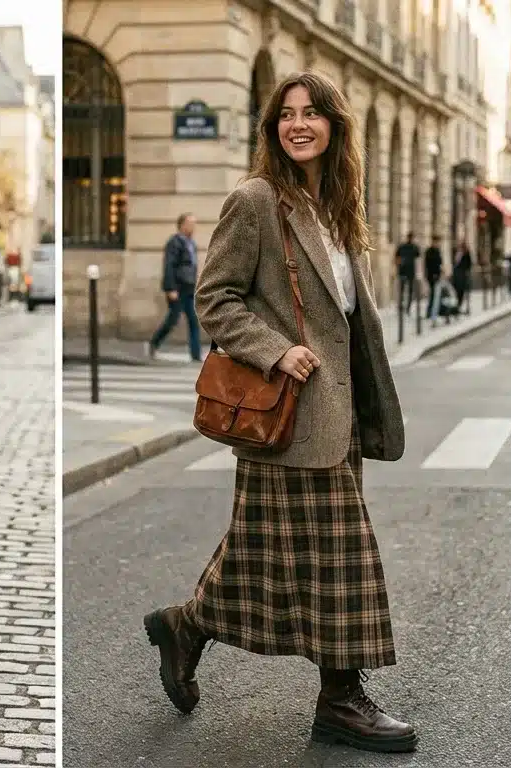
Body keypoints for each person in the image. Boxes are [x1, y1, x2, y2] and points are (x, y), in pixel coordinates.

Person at [143, 71, 414, 754]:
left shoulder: (335, 204)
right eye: (286, 115)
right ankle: (342, 699)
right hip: (288, 411)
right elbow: (216, 299)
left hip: (334, 415)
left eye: (312, 114)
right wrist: (276, 351)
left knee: (269, 553)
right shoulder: (256, 200)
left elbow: (349, 316)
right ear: (272, 128)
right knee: (342, 557)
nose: (298, 124)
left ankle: (186, 625)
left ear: (334, 126)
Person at [148, 213, 203, 362]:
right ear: (182, 225)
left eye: (194, 224)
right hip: (178, 288)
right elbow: (169, 266)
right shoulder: (174, 242)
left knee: (193, 320)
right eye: (191, 224)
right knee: (172, 319)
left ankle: (196, 355)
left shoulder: (191, 243)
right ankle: (154, 343)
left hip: (189, 288)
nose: (193, 227)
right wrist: (170, 288)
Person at [394, 231, 419, 309]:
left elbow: (418, 257)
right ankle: (403, 306)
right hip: (404, 271)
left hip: (408, 271)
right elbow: (397, 258)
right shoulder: (404, 247)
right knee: (403, 289)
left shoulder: (414, 247)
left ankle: (407, 306)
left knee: (408, 290)